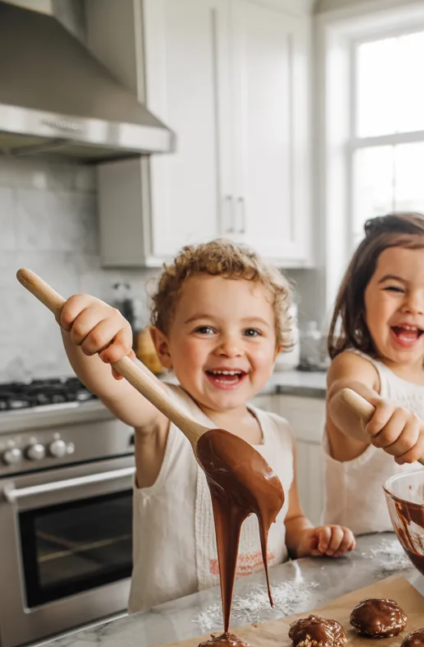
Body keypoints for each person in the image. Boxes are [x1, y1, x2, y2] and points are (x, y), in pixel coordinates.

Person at [57, 240, 355, 612]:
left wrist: (309, 537)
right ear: (163, 348)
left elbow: (290, 520)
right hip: (166, 638)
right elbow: (108, 378)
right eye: (205, 329)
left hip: (262, 622)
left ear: (276, 351)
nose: (230, 348)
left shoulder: (280, 432)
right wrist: (90, 329)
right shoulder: (162, 415)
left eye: (251, 332)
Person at [324, 212, 424, 535]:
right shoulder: (358, 367)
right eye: (395, 288)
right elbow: (345, 396)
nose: (414, 305)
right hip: (356, 564)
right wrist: (377, 412)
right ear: (361, 297)